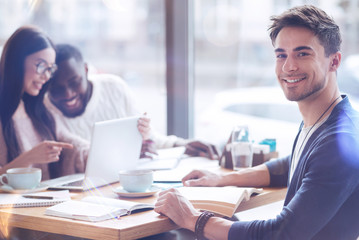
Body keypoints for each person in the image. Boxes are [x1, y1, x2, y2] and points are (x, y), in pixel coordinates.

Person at [154, 5, 359, 240]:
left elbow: (281, 233)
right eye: (281, 55)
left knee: (176, 231)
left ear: (334, 62)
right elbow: (291, 164)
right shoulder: (327, 121)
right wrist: (221, 179)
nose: (288, 66)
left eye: (303, 54)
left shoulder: (340, 142)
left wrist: (192, 219)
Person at [44, 43, 219, 159]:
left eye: (74, 82)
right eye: (56, 88)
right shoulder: (44, 109)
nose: (68, 94)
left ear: (86, 70)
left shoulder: (113, 88)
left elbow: (146, 138)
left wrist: (181, 145)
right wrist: (127, 155)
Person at [0, 25, 91, 181]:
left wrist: (96, 152)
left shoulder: (37, 110)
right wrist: (28, 158)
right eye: (41, 66)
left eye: (50, 69)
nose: (46, 76)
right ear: (16, 61)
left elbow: (70, 143)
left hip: (44, 202)